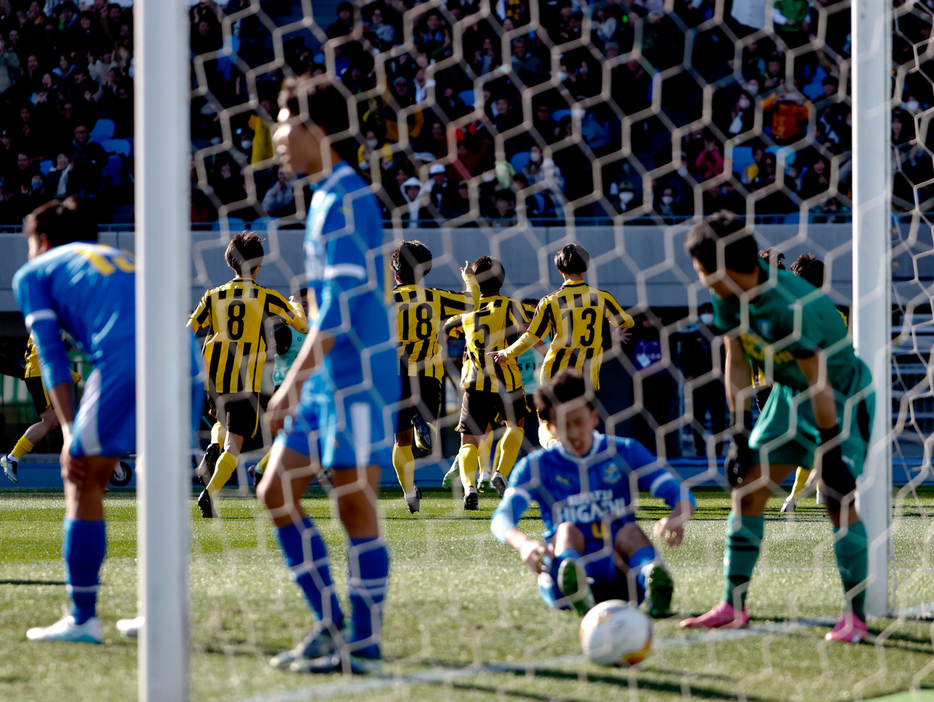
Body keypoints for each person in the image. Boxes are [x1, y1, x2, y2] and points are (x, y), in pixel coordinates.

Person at [257, 80, 400, 675]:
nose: (277, 139)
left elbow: (340, 307)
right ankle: (331, 625)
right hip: (326, 382)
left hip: (359, 378)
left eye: (285, 123)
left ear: (317, 129)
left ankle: (362, 646)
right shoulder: (320, 198)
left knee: (354, 508)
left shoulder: (348, 197)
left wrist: (289, 383)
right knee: (276, 492)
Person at [681, 213, 875, 643]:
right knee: (748, 490)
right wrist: (737, 431)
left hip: (839, 396)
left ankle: (855, 618)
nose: (700, 279)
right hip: (788, 394)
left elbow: (819, 380)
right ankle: (733, 605)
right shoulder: (727, 293)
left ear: (724, 266)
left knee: (836, 498)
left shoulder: (790, 305)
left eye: (701, 270)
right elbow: (735, 358)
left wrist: (830, 446)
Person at [12, 198, 200, 643]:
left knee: (82, 476)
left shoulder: (33, 274)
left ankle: (83, 618)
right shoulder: (122, 258)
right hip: (186, 358)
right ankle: (162, 613)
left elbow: (52, 359)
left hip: (125, 359)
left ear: (42, 240)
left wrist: (70, 430)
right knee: (159, 485)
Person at [491, 369, 695, 618]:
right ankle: (574, 581)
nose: (574, 433)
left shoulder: (625, 451)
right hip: (562, 583)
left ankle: (650, 574)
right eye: (565, 425)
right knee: (566, 530)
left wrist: (677, 516)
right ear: (550, 428)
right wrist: (524, 545)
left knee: (629, 531)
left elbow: (680, 493)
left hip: (622, 578)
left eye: (579, 422)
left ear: (594, 417)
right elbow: (502, 518)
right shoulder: (537, 465)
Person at [188, 232, 308, 518]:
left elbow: (189, 331)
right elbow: (301, 325)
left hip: (215, 379)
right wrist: (296, 304)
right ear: (260, 263)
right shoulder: (267, 297)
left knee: (222, 422)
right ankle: (210, 495)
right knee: (235, 445)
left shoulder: (213, 296)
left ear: (229, 261)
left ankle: (213, 447)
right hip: (246, 381)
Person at [491, 243, 633, 448]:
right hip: (587, 376)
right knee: (582, 424)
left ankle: (554, 449)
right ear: (586, 268)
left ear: (560, 270)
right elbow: (626, 322)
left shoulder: (550, 301)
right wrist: (611, 320)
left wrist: (507, 352)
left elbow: (531, 336)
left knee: (546, 423)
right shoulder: (601, 297)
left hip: (555, 375)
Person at [390, 240, 479, 512]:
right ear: (425, 272)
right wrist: (468, 278)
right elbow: (472, 302)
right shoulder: (435, 297)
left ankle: (409, 494)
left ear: (395, 274)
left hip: (395, 375)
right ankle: (423, 423)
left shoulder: (384, 299)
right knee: (429, 428)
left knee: (400, 440)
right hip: (428, 372)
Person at [449, 256, 528, 507]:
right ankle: (499, 473)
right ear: (502, 281)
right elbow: (528, 328)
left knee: (468, 440)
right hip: (507, 378)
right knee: (516, 426)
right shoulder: (510, 305)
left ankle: (470, 487)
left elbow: (449, 329)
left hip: (474, 380)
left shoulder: (467, 312)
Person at [780, 253, 843, 513]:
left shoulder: (785, 314)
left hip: (794, 387)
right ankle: (808, 494)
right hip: (829, 386)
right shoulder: (837, 314)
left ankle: (799, 496)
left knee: (809, 441)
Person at [0, 332, 82, 482]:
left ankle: (87, 470)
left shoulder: (50, 317)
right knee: (51, 421)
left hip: (41, 373)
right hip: (40, 374)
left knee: (65, 420)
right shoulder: (57, 318)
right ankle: (12, 457)